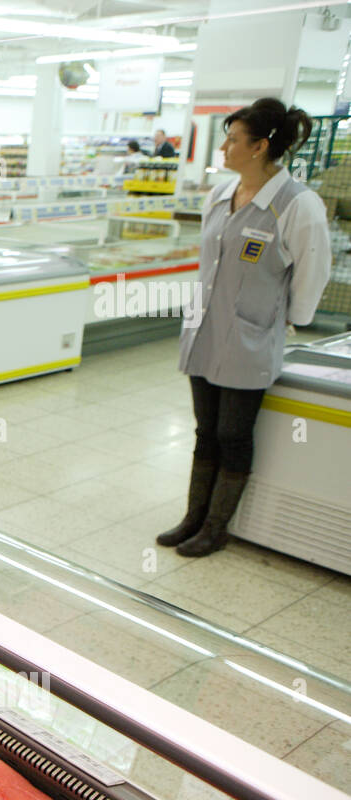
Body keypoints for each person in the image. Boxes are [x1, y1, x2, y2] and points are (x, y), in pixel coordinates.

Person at [159, 99, 330, 557]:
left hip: (251, 337)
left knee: (233, 435)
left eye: (233, 138)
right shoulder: (220, 195)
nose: (225, 146)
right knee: (204, 431)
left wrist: (292, 319)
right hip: (205, 332)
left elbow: (313, 270)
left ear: (259, 147)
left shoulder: (297, 204)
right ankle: (192, 517)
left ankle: (217, 527)